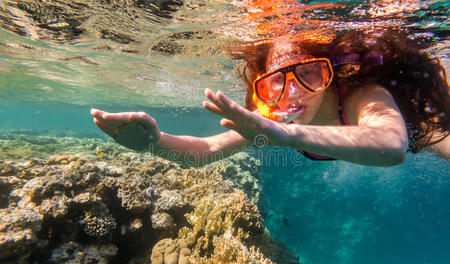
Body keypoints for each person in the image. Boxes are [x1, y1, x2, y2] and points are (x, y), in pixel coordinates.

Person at [91, 29, 449, 166]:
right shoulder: (273, 114)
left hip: (425, 127)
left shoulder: (361, 94)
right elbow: (205, 151)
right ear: (262, 86)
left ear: (331, 73)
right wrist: (155, 143)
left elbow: (391, 144)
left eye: (309, 72)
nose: (291, 93)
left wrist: (286, 135)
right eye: (276, 82)